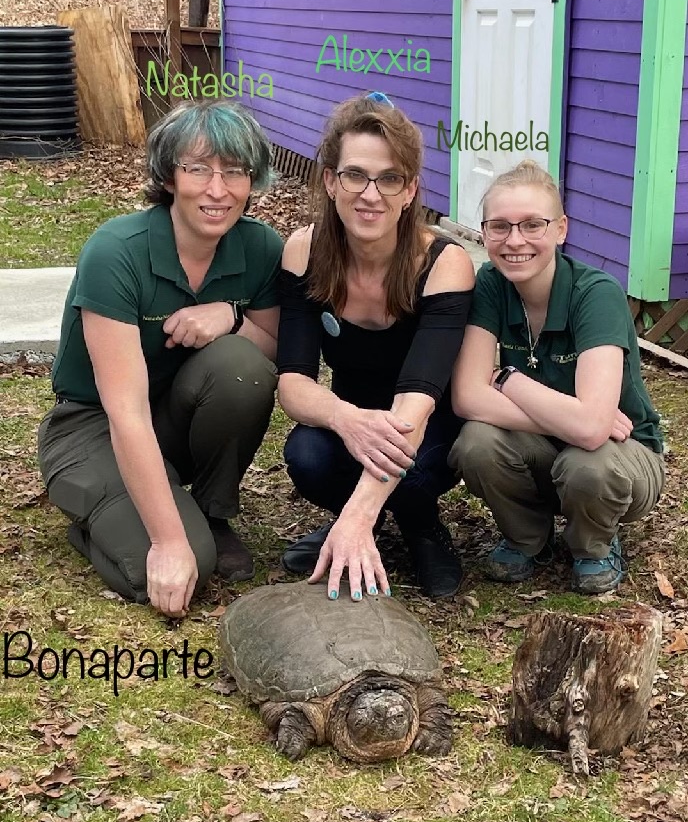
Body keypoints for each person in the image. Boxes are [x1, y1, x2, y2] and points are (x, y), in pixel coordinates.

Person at [38, 100, 282, 618]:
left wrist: (232, 319)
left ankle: (213, 512)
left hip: (171, 419)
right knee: (187, 564)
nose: (218, 190)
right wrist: (169, 543)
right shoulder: (116, 251)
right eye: (198, 170)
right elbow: (125, 412)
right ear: (170, 176)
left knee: (242, 366)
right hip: (93, 426)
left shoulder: (261, 248)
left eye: (235, 172)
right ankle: (95, 511)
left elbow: (276, 352)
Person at [276, 93, 475, 602]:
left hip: (430, 425)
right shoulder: (305, 251)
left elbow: (418, 402)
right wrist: (346, 419)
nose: (371, 194)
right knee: (307, 454)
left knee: (413, 475)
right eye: (355, 175)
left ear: (409, 191)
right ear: (329, 180)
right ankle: (358, 523)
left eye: (389, 179)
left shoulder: (443, 263)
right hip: (355, 415)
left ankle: (416, 523)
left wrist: (358, 516)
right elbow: (294, 382)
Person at [449, 160, 665, 594]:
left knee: (589, 462)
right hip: (549, 448)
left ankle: (594, 546)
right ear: (484, 231)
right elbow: (467, 398)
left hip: (622, 457)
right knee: (476, 442)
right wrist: (576, 420)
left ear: (561, 229)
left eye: (532, 225)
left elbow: (591, 432)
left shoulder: (595, 294)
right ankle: (529, 538)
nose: (515, 241)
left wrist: (505, 377)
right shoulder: (491, 284)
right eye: (499, 227)